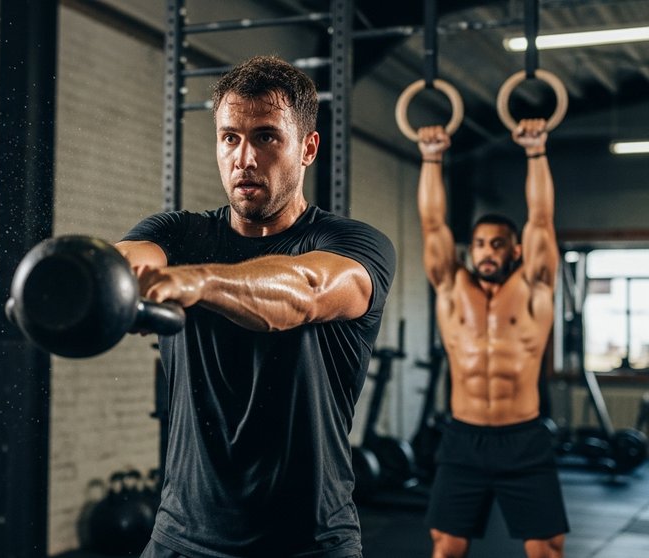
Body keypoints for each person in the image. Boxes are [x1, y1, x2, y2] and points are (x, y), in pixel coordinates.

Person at [117, 55, 396, 558]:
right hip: (181, 538)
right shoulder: (175, 236)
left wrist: (195, 282)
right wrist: (92, 277)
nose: (244, 158)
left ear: (308, 148)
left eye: (266, 137)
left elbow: (305, 289)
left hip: (309, 544)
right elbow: (123, 263)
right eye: (230, 138)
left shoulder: (354, 245)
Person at [416, 119, 568, 558]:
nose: (487, 252)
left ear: (516, 250)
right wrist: (431, 157)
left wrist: (535, 150)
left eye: (498, 244)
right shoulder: (450, 287)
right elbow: (432, 224)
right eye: (480, 244)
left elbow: (541, 218)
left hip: (523, 437)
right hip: (463, 438)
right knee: (446, 546)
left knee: (546, 548)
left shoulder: (535, 288)